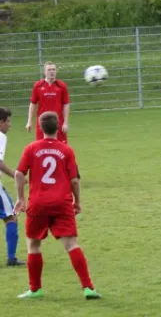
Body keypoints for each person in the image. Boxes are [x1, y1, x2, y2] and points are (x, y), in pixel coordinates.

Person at [13, 111, 101, 300]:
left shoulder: (31, 148)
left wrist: (20, 198)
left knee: (33, 245)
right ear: (58, 126)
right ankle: (88, 288)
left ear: (40, 127)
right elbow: (75, 181)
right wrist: (77, 201)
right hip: (62, 203)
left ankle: (35, 290)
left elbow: (19, 174)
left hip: (38, 203)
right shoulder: (67, 150)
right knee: (71, 244)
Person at [26, 62, 81, 178]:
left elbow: (66, 104)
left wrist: (65, 122)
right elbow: (33, 104)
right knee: (40, 148)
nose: (52, 72)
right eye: (49, 69)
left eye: (54, 69)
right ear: (44, 72)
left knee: (63, 148)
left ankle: (73, 173)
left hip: (58, 124)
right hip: (42, 125)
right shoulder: (38, 86)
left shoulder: (62, 86)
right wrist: (29, 121)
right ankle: (41, 173)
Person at [0, 107, 25, 266]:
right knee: (11, 217)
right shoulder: (1, 136)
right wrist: (16, 174)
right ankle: (11, 258)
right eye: (8, 122)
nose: (10, 125)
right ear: (1, 122)